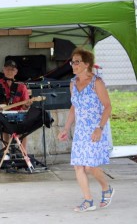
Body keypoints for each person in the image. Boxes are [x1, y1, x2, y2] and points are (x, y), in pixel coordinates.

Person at [58, 47, 114, 212]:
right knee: (78, 166)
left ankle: (106, 188)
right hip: (80, 131)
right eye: (72, 62)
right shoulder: (73, 83)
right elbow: (74, 107)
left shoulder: (97, 82)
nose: (73, 65)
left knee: (90, 167)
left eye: (77, 62)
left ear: (87, 64)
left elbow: (108, 107)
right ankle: (88, 200)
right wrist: (66, 128)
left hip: (95, 130)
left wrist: (100, 128)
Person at [0, 60, 32, 151]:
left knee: (24, 127)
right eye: (7, 69)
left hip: (17, 115)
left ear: (16, 72)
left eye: (12, 69)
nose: (9, 71)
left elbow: (25, 106)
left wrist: (26, 106)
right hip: (1, 115)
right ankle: (6, 152)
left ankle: (23, 153)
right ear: (3, 70)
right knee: (4, 127)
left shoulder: (21, 87)